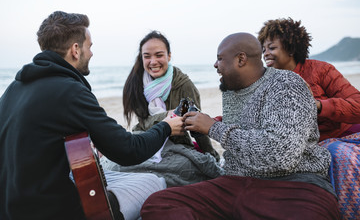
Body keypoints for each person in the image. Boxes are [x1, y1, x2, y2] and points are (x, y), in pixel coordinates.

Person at [0, 11, 184, 220]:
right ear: (75, 50)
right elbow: (128, 150)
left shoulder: (12, 90)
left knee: (108, 176)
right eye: (90, 46)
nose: (92, 53)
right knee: (154, 182)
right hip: (52, 211)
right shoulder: (69, 91)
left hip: (11, 208)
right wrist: (166, 126)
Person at [140, 32, 340, 220]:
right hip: (234, 184)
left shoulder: (286, 84)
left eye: (219, 59)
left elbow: (281, 155)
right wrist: (208, 123)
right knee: (159, 204)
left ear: (241, 59)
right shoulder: (231, 92)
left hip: (293, 185)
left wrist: (213, 128)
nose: (215, 65)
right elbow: (243, 137)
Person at [258, 17, 360, 219]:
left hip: (339, 136)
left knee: (339, 154)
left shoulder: (321, 70)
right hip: (301, 148)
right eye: (263, 49)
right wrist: (209, 121)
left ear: (291, 48)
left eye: (272, 47)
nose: (266, 54)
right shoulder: (264, 82)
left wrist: (320, 105)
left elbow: (357, 104)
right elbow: (247, 115)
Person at [100, 31, 223, 187]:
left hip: (177, 144)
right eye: (147, 56)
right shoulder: (136, 83)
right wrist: (167, 117)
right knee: (112, 165)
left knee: (191, 169)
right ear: (141, 58)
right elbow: (143, 123)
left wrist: (211, 155)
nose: (153, 61)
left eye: (159, 55)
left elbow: (197, 126)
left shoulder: (184, 84)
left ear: (169, 56)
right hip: (146, 140)